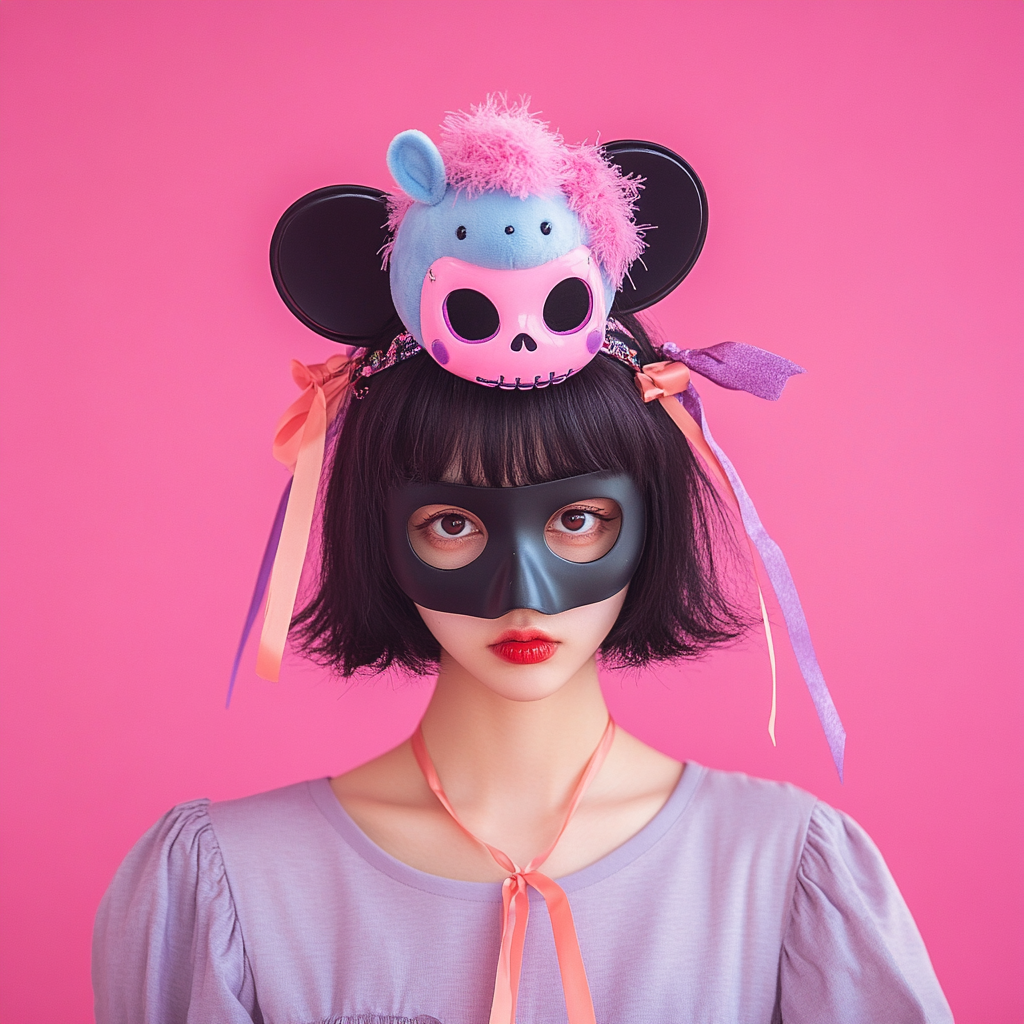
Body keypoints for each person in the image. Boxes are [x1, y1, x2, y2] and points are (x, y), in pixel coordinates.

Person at [93, 100, 953, 1024]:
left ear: (650, 518)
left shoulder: (784, 876)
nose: (525, 597)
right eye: (453, 526)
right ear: (376, 532)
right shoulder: (229, 887)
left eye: (579, 518)